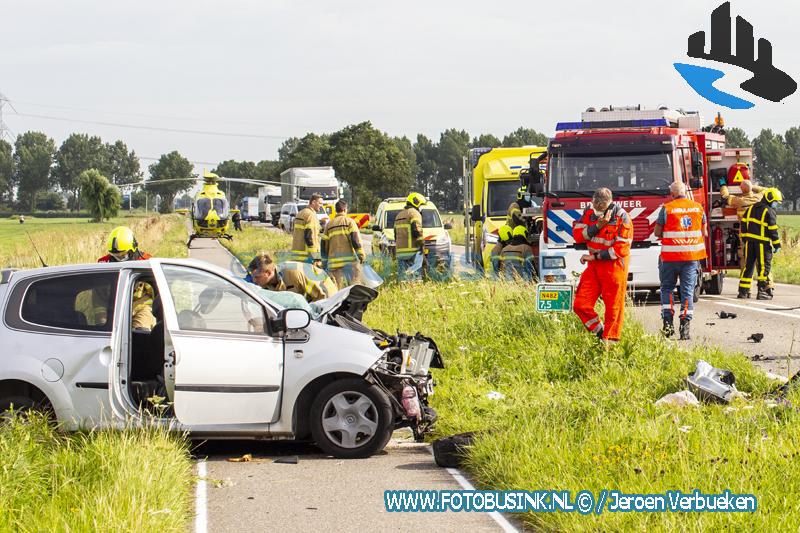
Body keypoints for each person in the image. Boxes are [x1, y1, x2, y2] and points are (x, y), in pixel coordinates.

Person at [572, 187, 633, 344]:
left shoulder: (623, 218)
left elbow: (620, 250)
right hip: (594, 267)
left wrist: (593, 257)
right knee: (580, 304)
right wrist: (597, 226)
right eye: (595, 206)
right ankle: (600, 332)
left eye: (601, 208)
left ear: (609, 203)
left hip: (614, 267)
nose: (597, 210)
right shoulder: (588, 213)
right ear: (593, 201)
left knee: (613, 308)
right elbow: (578, 236)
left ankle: (610, 344)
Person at [654, 182, 707, 340]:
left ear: (672, 194)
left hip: (670, 257)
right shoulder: (698, 208)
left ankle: (668, 324)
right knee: (687, 292)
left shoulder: (667, 208)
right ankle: (685, 328)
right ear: (686, 192)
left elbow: (658, 232)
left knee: (667, 289)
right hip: (691, 258)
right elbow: (704, 231)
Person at [97, 226, 155, 331]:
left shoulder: (147, 262)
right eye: (114, 256)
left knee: (141, 333)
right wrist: (101, 318)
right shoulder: (103, 263)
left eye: (122, 256)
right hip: (111, 310)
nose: (118, 259)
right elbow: (98, 296)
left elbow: (156, 292)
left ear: (133, 249)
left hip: (141, 308)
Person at [739, 188, 782, 300]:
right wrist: (777, 245)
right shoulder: (769, 211)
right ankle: (761, 292)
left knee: (748, 267)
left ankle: (743, 292)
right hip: (763, 244)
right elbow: (773, 230)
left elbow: (743, 225)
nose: (775, 204)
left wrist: (744, 239)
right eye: (775, 201)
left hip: (749, 243)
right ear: (769, 199)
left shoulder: (750, 208)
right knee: (763, 268)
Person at [246, 252, 337, 303]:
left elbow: (324, 296)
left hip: (326, 293)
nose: (254, 280)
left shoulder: (294, 273)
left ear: (268, 272)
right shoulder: (265, 283)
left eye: (256, 277)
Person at [321, 199, 366, 288]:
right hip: (349, 263)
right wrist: (361, 255)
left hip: (334, 264)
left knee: (338, 290)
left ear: (336, 210)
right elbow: (355, 240)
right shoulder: (349, 222)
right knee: (354, 287)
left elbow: (323, 244)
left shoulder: (329, 225)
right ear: (345, 210)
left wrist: (324, 262)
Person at [394, 192, 426, 278]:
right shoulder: (414, 213)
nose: (420, 208)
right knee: (415, 276)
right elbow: (416, 229)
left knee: (403, 276)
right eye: (420, 205)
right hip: (413, 251)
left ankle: (402, 289)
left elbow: (395, 235)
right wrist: (422, 245)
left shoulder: (398, 215)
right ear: (416, 202)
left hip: (400, 252)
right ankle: (416, 288)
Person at [291, 194, 323, 265]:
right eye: (320, 203)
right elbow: (309, 237)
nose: (321, 206)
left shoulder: (300, 213)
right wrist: (316, 257)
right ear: (313, 202)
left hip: (297, 253)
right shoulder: (311, 215)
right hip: (308, 256)